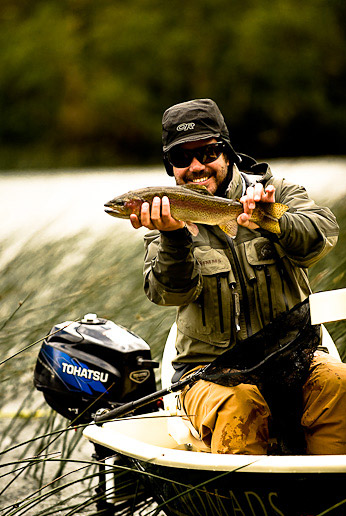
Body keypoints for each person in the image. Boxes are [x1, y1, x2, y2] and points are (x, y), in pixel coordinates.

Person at [130, 98, 346, 455]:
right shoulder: (164, 216)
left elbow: (322, 237)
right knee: (240, 407)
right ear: (171, 168)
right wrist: (173, 237)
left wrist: (272, 219)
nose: (197, 166)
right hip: (208, 370)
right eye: (182, 159)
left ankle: (328, 502)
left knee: (340, 385)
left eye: (208, 153)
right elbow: (167, 293)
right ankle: (255, 505)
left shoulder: (276, 191)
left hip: (296, 355)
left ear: (228, 153)